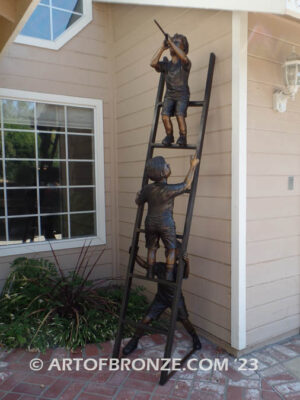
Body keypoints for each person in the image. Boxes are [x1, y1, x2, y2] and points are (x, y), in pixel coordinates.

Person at [122, 244, 202, 355]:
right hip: (161, 298)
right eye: (167, 251)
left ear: (177, 255)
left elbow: (185, 274)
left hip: (176, 299)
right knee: (146, 319)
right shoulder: (160, 266)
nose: (168, 253)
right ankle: (134, 340)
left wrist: (187, 262)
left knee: (185, 320)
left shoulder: (178, 268)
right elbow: (146, 265)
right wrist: (134, 255)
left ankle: (194, 337)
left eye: (171, 252)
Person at [135, 154, 199, 281]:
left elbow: (138, 201)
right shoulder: (169, 189)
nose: (169, 165)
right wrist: (192, 167)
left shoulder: (147, 189)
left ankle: (150, 272)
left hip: (150, 223)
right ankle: (169, 274)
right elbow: (186, 184)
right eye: (166, 165)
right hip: (166, 224)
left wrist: (138, 195)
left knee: (151, 248)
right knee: (171, 249)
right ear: (163, 172)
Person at [150, 33, 191, 146]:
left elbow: (184, 57)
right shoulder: (167, 65)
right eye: (173, 42)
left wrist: (172, 43)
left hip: (182, 95)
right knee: (164, 116)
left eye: (177, 42)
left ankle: (182, 136)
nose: (173, 44)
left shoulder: (184, 63)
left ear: (184, 48)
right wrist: (163, 48)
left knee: (179, 115)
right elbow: (153, 63)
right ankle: (169, 135)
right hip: (169, 95)